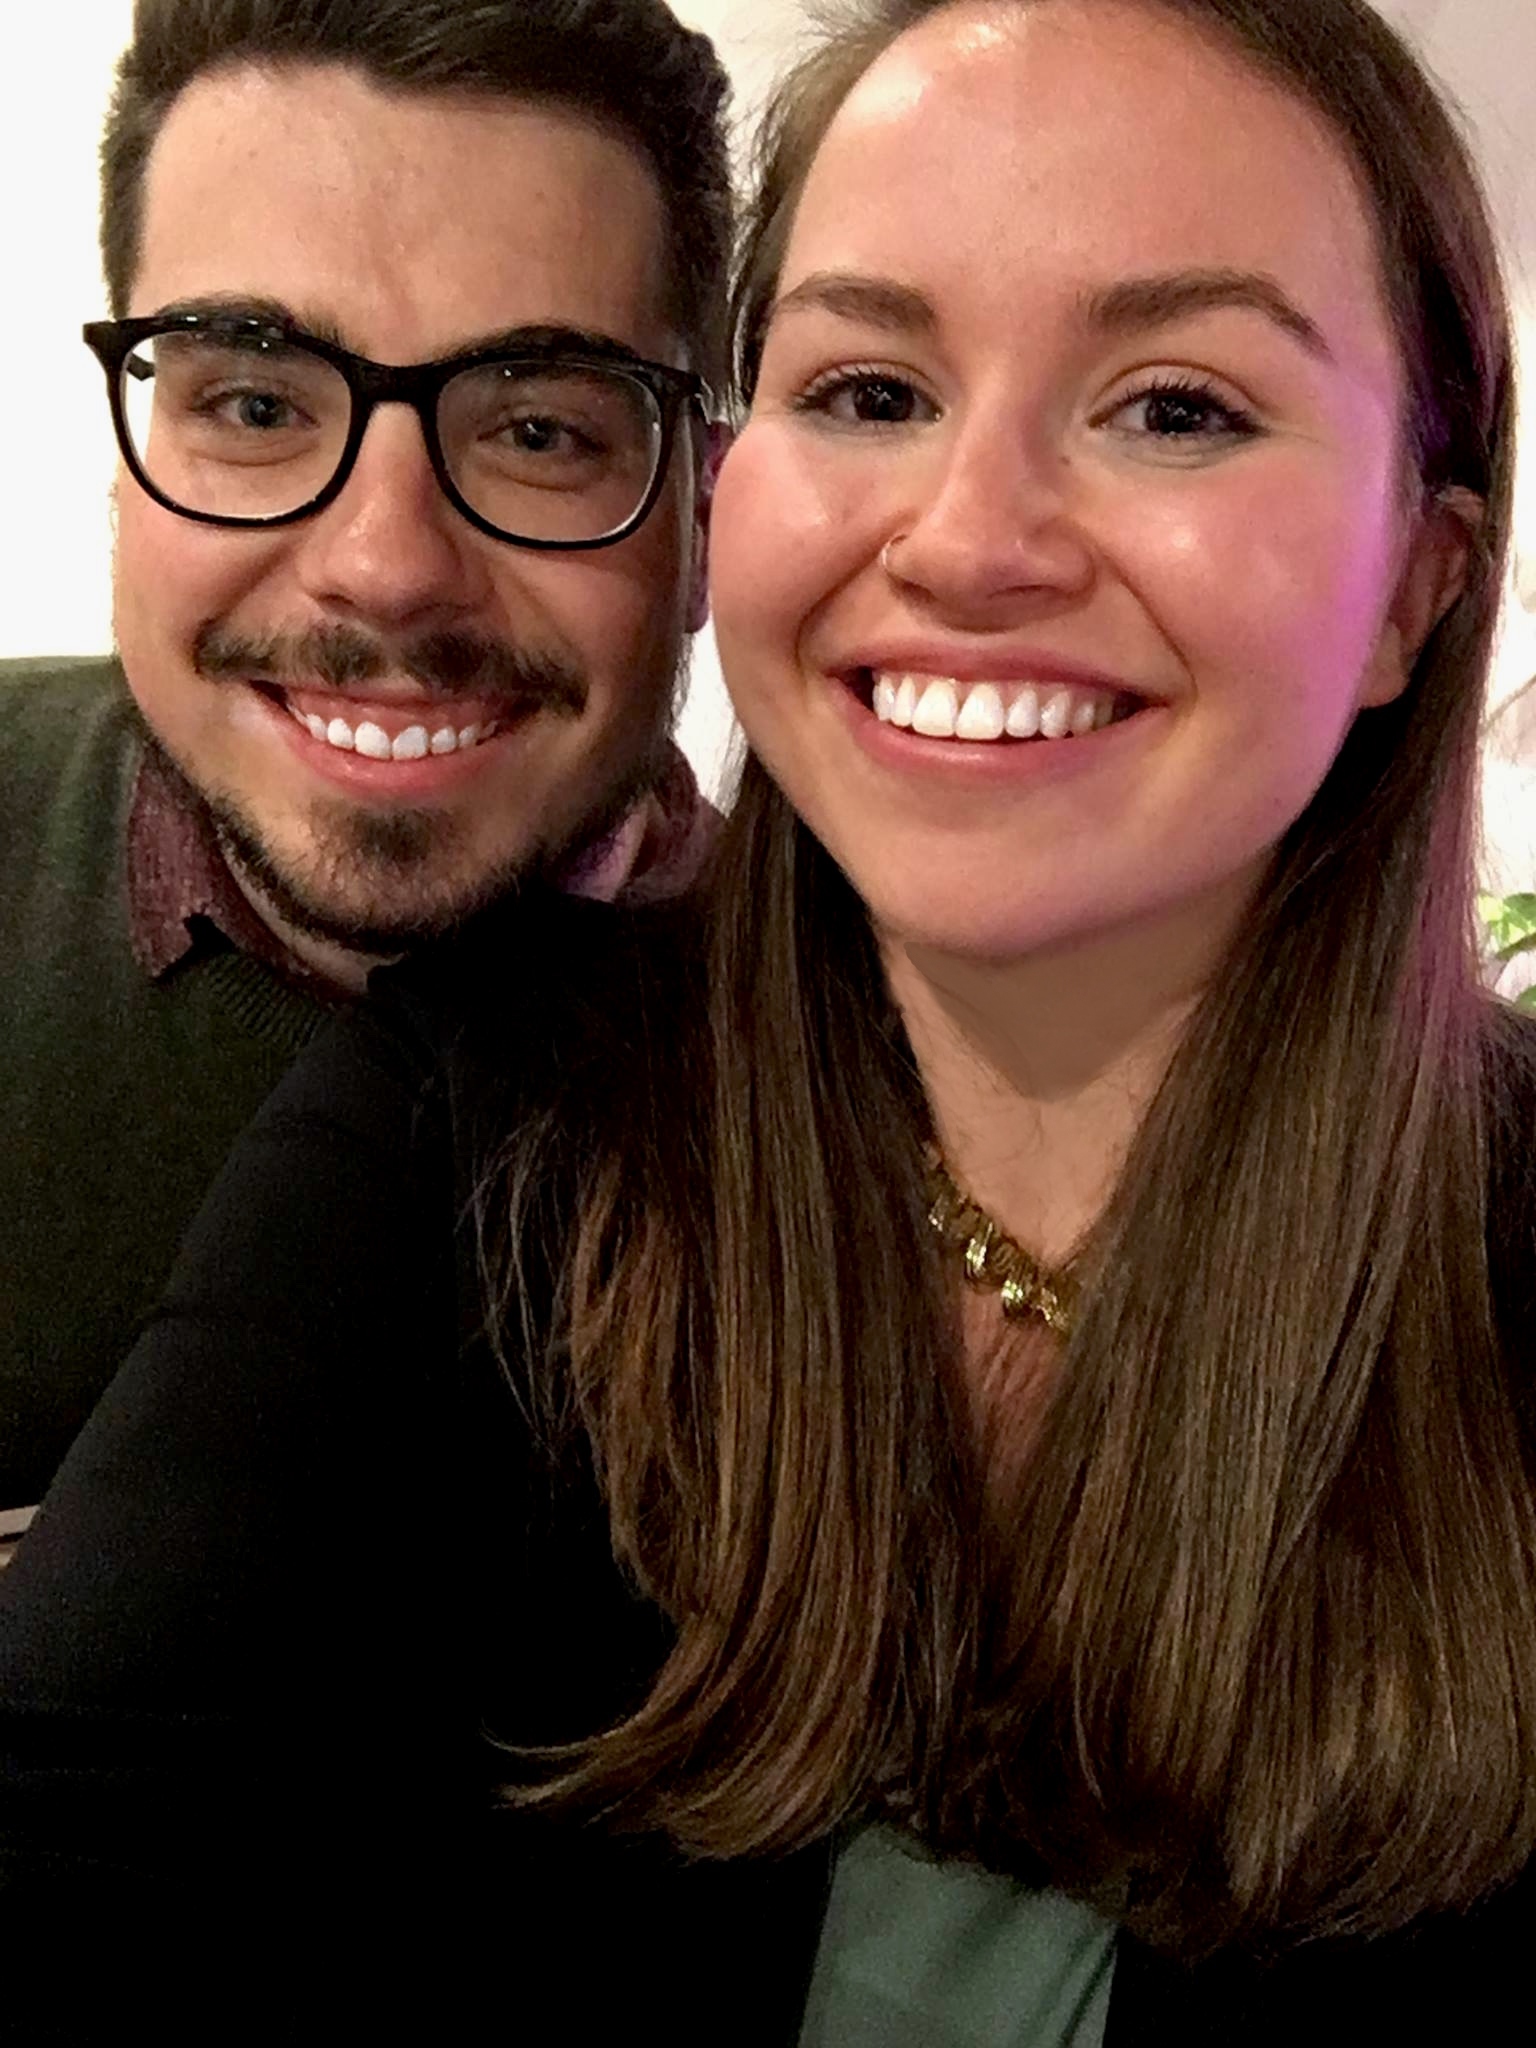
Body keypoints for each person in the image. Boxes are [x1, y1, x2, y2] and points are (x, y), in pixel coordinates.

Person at [3, 0, 1534, 2036]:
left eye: (1175, 406)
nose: (974, 540)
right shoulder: (495, 1115)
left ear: (1423, 583)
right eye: (874, 382)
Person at [0, 0, 731, 1528]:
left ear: (706, 507)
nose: (390, 569)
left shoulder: (896, 1062)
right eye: (258, 405)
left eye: (538, 429)